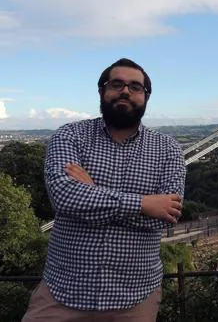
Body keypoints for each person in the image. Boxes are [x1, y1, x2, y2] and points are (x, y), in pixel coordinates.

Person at [22, 58, 186, 322]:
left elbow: (168, 215)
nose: (125, 91)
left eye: (135, 87)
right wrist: (144, 204)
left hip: (135, 297)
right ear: (102, 91)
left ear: (146, 96)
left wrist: (92, 192)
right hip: (63, 293)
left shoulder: (168, 148)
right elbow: (64, 197)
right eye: (117, 84)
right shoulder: (70, 135)